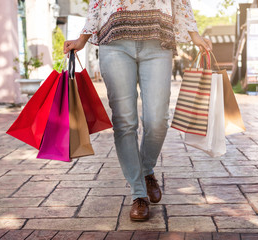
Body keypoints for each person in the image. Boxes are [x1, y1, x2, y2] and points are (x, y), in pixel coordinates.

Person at [64, 0, 212, 221]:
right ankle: (138, 194)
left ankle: (146, 169)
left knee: (157, 120)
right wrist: (82, 39)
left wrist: (194, 35)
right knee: (125, 122)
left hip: (157, 40)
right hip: (114, 42)